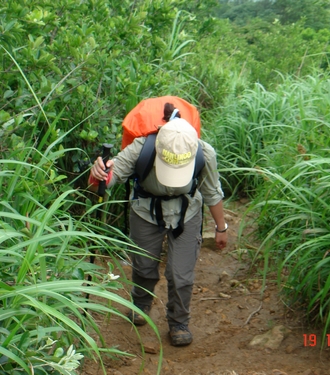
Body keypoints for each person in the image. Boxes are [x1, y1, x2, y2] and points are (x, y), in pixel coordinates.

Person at [89, 103, 228, 346]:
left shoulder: (204, 153)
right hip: (146, 211)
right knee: (144, 267)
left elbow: (212, 193)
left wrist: (221, 227)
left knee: (180, 274)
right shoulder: (141, 148)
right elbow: (108, 179)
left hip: (187, 212)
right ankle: (141, 304)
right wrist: (98, 174)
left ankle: (179, 322)